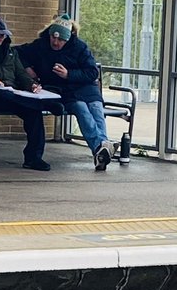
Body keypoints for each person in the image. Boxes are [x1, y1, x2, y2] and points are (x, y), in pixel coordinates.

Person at [0, 16, 63, 171]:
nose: (2, 37)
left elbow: (21, 73)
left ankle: (33, 158)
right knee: (6, 96)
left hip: (11, 94)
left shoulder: (10, 51)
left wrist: (32, 85)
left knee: (33, 111)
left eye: (4, 34)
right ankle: (44, 104)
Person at [18, 13, 114, 171]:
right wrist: (28, 69)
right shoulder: (40, 45)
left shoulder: (80, 47)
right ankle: (102, 148)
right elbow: (18, 52)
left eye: (60, 40)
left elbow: (92, 72)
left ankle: (100, 149)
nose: (55, 42)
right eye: (53, 38)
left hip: (86, 88)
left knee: (96, 110)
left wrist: (69, 74)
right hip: (66, 91)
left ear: (68, 38)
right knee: (82, 110)